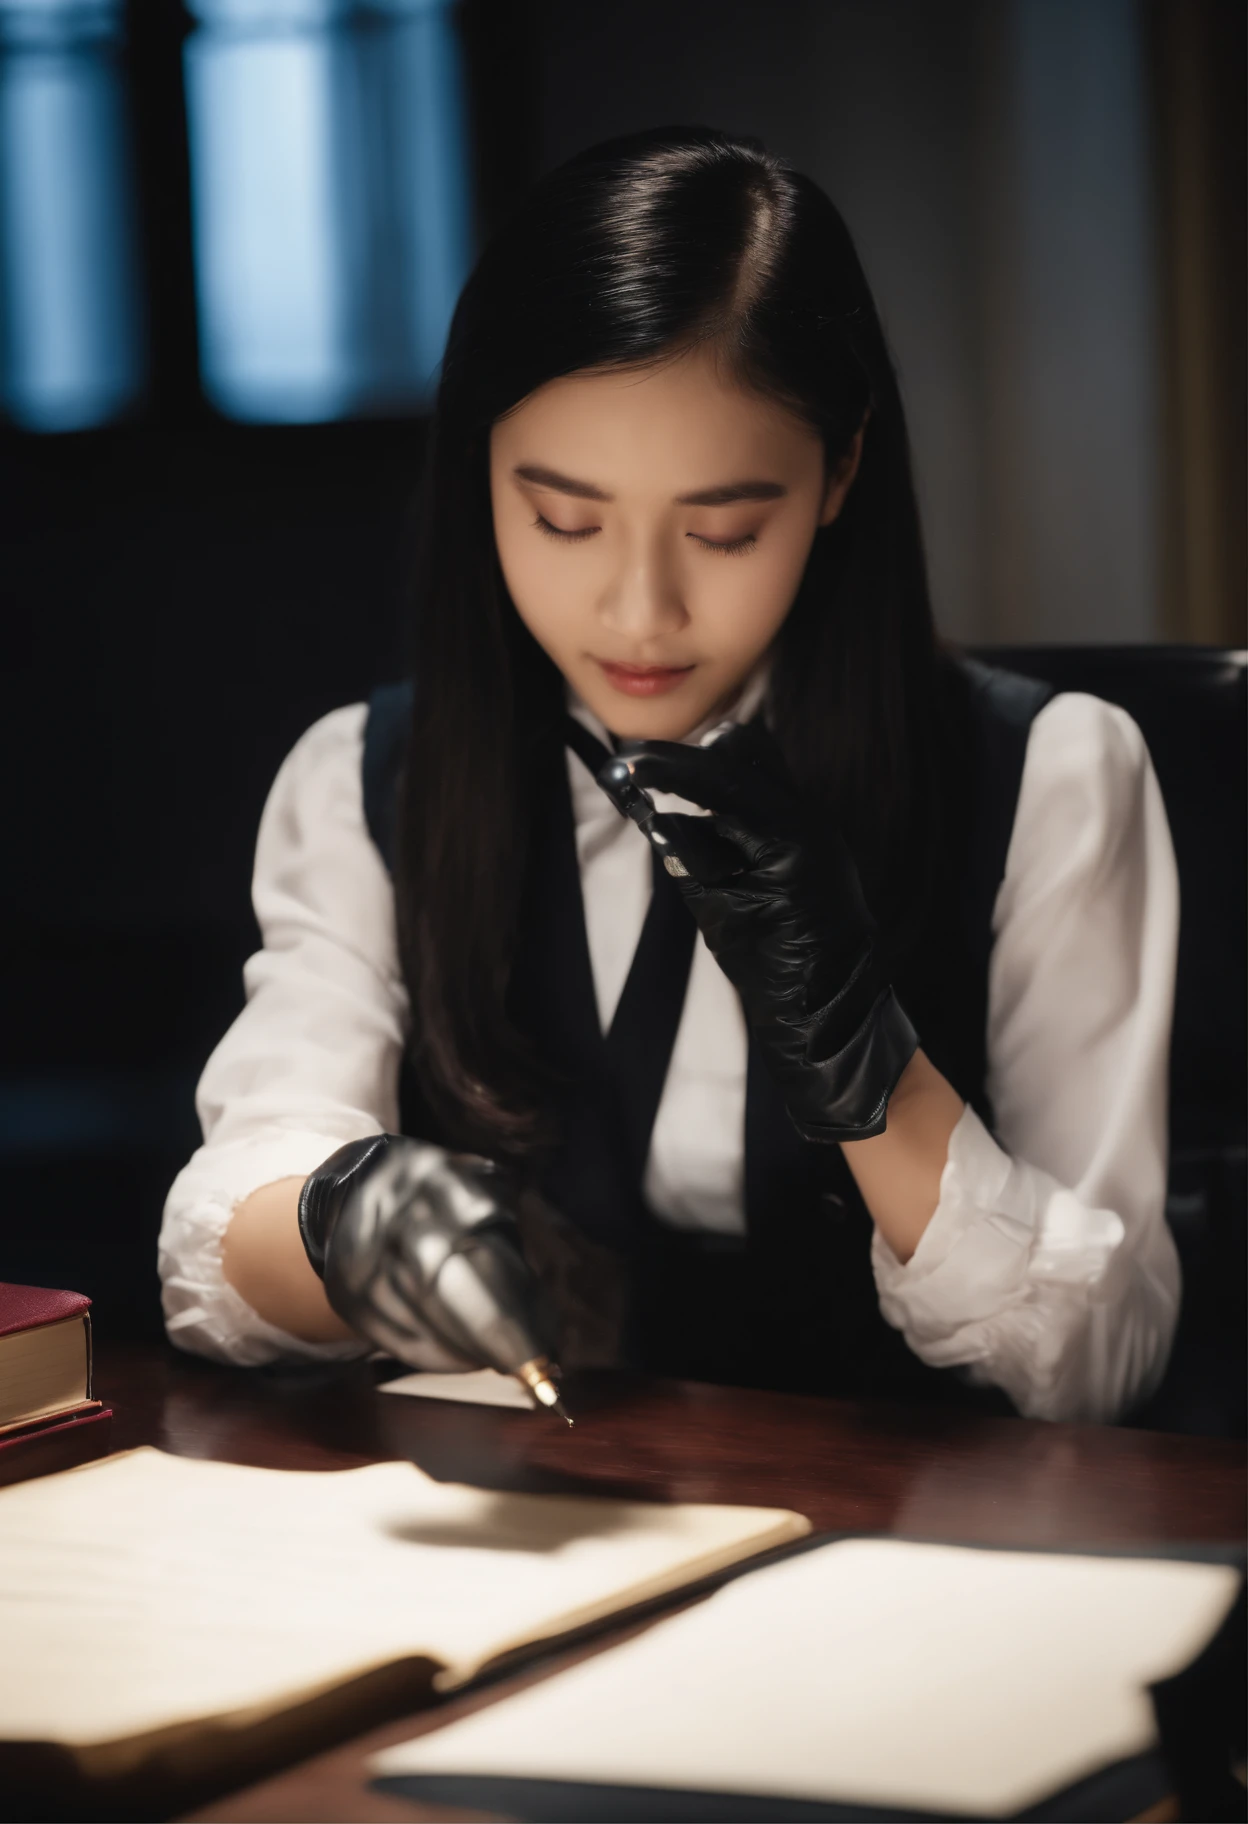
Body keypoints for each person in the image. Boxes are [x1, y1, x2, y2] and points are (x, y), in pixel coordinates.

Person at [159, 127, 1180, 1423]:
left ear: (842, 470)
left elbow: (1105, 1363)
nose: (640, 610)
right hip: (525, 1527)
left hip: (917, 1545)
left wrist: (878, 1076)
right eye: (564, 520)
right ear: (482, 469)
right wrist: (345, 1229)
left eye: (724, 529)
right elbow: (218, 1260)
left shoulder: (1053, 775)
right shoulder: (365, 784)